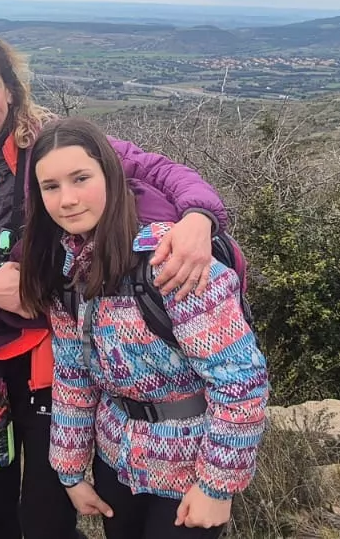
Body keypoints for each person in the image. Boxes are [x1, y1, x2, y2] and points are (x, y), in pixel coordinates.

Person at [0, 34, 232, 539]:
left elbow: (161, 170)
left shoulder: (61, 146)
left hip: (59, 352)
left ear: (11, 90)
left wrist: (199, 216)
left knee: (45, 512)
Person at [21, 117, 268, 539]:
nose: (67, 200)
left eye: (81, 178)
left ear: (111, 176)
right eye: (51, 186)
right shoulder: (66, 271)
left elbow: (241, 382)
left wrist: (217, 487)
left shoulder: (170, 262)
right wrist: (70, 471)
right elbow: (74, 378)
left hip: (189, 470)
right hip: (117, 461)